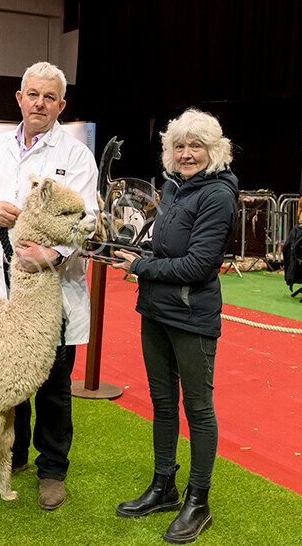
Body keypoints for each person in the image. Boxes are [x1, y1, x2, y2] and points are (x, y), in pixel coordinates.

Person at [0, 61, 98, 511]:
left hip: (50, 292)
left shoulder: (76, 157)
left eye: (49, 97)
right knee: (1, 376)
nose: (39, 103)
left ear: (61, 105)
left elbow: (87, 220)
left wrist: (51, 256)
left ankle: (52, 469)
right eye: (32, 94)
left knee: (54, 383)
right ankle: (10, 456)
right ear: (19, 99)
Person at [110, 108, 238, 544]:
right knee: (163, 404)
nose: (186, 153)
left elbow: (200, 264)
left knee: (198, 410)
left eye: (195, 145)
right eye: (179, 145)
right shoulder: (171, 187)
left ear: (214, 150)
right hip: (155, 311)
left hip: (192, 316)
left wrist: (142, 265)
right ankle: (163, 486)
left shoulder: (218, 194)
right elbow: (164, 243)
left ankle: (197, 501)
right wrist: (132, 245)